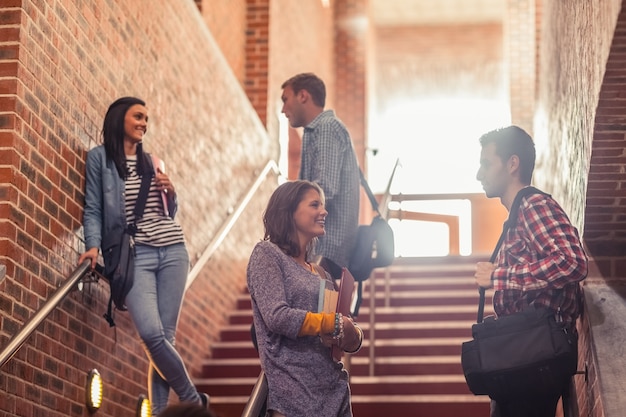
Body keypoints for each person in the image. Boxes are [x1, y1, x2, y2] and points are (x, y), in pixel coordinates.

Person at [77, 97, 209, 415]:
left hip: (174, 250)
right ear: (120, 117)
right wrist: (92, 245)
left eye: (147, 119)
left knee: (164, 339)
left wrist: (172, 194)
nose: (144, 123)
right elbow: (93, 207)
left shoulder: (152, 160)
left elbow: (167, 213)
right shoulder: (101, 159)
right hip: (136, 255)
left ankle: (164, 412)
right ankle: (193, 401)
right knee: (151, 335)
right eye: (138, 116)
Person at [474, 125, 588, 417]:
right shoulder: (518, 216)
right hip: (524, 352)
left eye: (486, 163)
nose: (479, 173)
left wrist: (499, 276)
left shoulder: (534, 206)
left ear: (513, 164)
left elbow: (573, 261)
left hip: (535, 352)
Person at [247, 180, 363, 417]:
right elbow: (277, 317)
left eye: (322, 205)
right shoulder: (267, 254)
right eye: (314, 205)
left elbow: (344, 330)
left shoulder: (321, 273)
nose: (324, 211)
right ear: (289, 212)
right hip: (293, 394)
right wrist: (331, 323)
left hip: (334, 392)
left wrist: (352, 332)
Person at [280, 73, 360, 280]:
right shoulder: (314, 132)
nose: (283, 109)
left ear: (303, 96)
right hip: (321, 246)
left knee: (318, 311)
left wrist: (286, 210)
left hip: (327, 247)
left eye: (285, 99)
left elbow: (323, 189)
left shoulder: (325, 128)